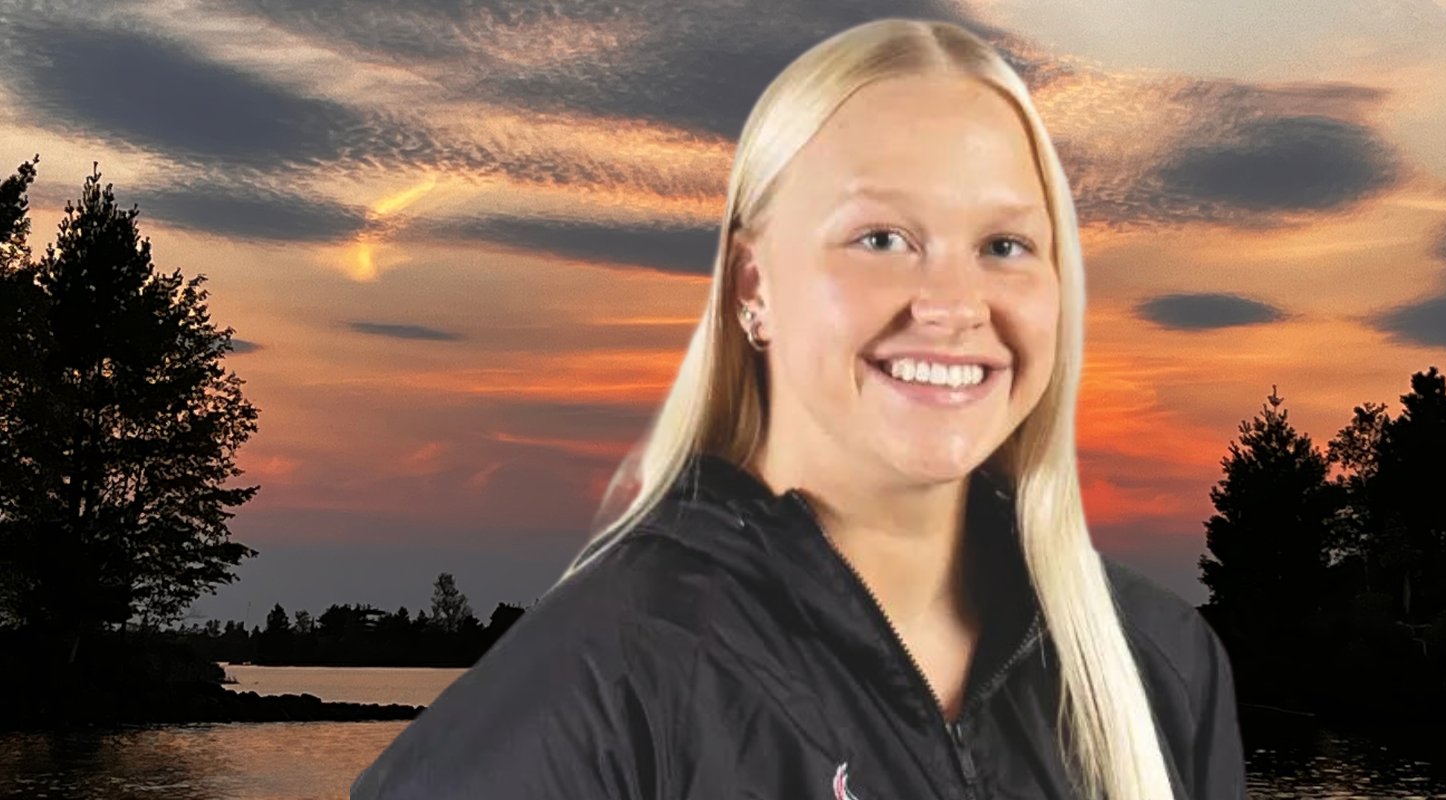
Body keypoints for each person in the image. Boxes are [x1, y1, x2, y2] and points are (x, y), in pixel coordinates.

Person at [350, 16, 1247, 800]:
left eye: (1004, 244)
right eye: (881, 238)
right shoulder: (601, 687)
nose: (953, 303)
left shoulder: (1160, 668)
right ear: (753, 284)